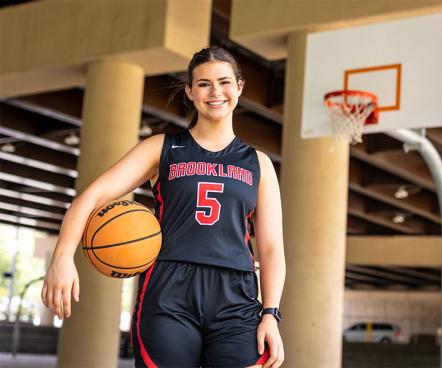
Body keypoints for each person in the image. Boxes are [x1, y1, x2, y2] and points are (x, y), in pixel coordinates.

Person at [41, 46, 286, 368]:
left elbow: (270, 248)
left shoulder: (259, 163)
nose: (215, 92)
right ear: (190, 91)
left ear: (239, 87)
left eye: (225, 82)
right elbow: (92, 196)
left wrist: (270, 313)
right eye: (203, 84)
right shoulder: (163, 148)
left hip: (235, 293)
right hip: (170, 290)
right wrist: (61, 258)